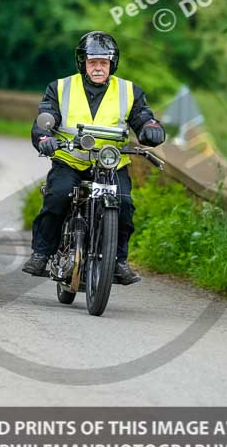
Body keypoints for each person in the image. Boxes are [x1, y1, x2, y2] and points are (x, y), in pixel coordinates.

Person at [22, 31, 165, 285]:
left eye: (103, 62)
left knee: (124, 204)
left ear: (112, 63)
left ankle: (118, 261)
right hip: (71, 159)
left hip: (111, 163)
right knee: (58, 195)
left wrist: (150, 128)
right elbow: (46, 116)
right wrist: (45, 137)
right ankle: (42, 254)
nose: (98, 67)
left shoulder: (129, 91)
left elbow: (143, 116)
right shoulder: (60, 87)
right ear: (83, 63)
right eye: (93, 62)